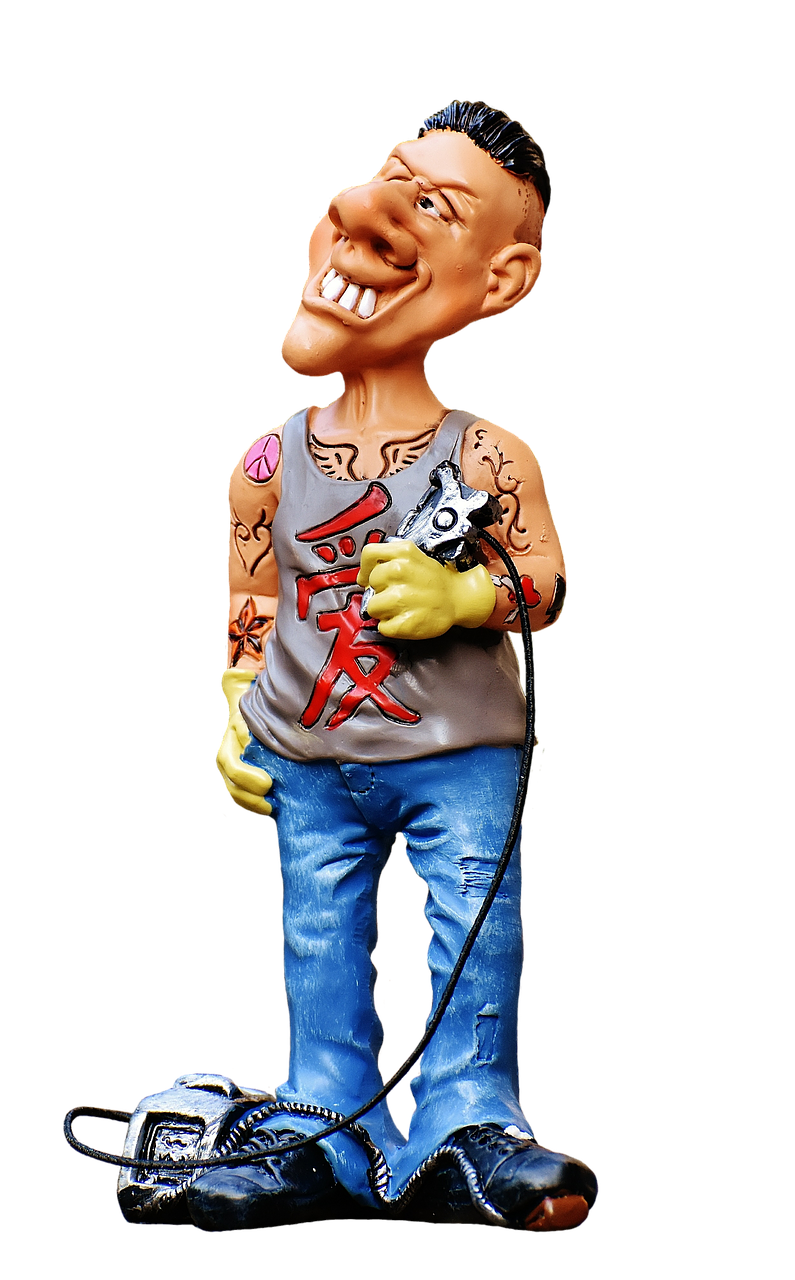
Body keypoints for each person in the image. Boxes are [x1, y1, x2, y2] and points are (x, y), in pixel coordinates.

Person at [205, 101, 597, 1232]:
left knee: (475, 925)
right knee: (317, 937)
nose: (366, 211)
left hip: (456, 752)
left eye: (434, 205)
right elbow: (253, 597)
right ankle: (321, 1118)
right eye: (386, 178)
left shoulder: (488, 455)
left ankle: (468, 1121)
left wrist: (466, 596)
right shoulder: (267, 462)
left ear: (501, 280)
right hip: (309, 751)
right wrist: (235, 703)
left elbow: (547, 581)